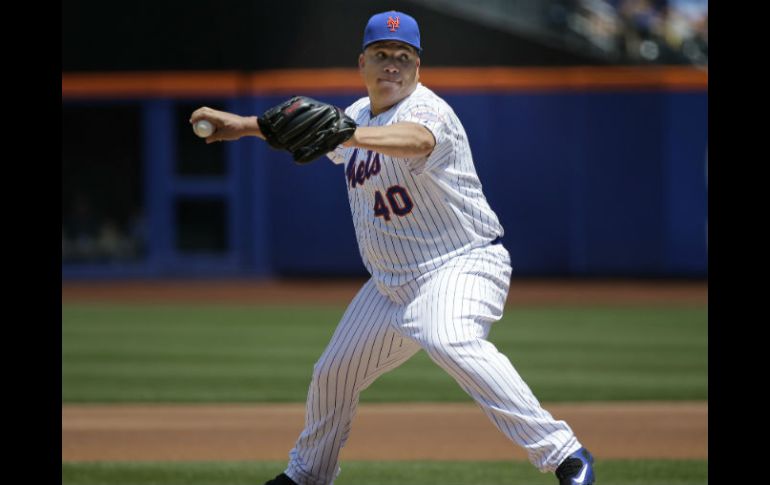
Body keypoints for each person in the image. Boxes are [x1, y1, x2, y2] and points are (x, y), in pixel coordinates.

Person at [190, 10, 595, 485]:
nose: (392, 65)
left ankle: (565, 454)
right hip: (390, 286)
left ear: (417, 69)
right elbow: (306, 130)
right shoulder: (359, 116)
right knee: (334, 374)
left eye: (404, 57)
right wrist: (240, 124)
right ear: (362, 63)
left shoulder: (427, 111)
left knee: (445, 335)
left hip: (462, 264)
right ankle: (307, 476)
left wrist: (344, 132)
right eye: (382, 54)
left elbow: (414, 141)